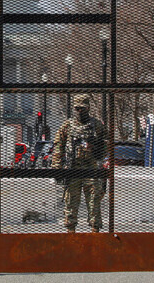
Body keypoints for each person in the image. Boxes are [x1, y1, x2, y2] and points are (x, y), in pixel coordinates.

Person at [51, 94, 107, 233]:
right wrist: (57, 166)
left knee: (94, 202)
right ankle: (71, 231)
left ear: (88, 108)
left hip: (91, 168)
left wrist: (96, 146)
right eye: (77, 108)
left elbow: (106, 143)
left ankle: (95, 230)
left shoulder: (97, 125)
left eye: (82, 108)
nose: (80, 111)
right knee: (70, 202)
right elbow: (58, 145)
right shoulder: (68, 125)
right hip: (73, 168)